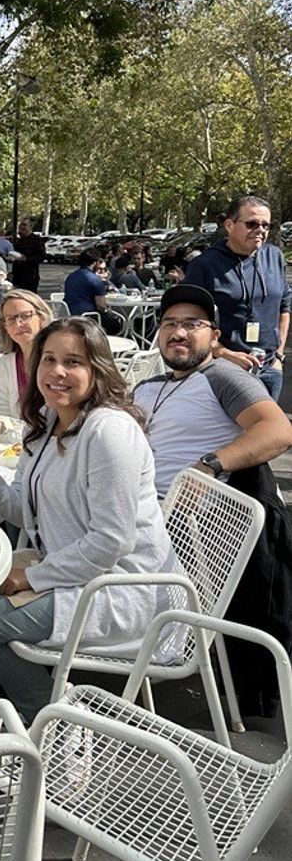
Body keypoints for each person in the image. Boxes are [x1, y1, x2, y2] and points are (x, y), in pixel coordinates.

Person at [0, 317, 176, 724]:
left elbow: (111, 542)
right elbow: (26, 511)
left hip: (118, 588)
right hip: (73, 571)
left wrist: (29, 579)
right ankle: (37, 708)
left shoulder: (109, 433)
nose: (57, 372)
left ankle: (51, 720)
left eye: (73, 362)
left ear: (98, 370)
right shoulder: (48, 422)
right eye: (48, 360)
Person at [134, 283, 292, 717]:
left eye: (192, 324)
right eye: (169, 324)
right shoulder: (149, 385)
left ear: (214, 337)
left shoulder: (221, 377)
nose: (178, 332)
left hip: (187, 527)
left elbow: (278, 431)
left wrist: (211, 464)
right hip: (139, 510)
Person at [186, 194, 291, 402]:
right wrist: (223, 353)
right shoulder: (205, 265)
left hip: (269, 368)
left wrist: (278, 354)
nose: (260, 230)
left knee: (266, 432)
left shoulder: (274, 256)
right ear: (229, 225)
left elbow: (284, 305)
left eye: (265, 225)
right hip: (224, 368)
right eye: (252, 223)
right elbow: (189, 320)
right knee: (230, 434)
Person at [0, 289, 52, 418]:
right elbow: (3, 412)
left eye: (25, 316)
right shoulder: (7, 363)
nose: (18, 324)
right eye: (10, 319)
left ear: (41, 318)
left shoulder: (55, 359)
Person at [63, 248, 121, 334]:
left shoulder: (70, 277)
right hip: (89, 317)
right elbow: (101, 306)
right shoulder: (95, 279)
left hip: (69, 316)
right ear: (95, 262)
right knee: (116, 325)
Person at [6, 218, 46, 293]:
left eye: (24, 225)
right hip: (17, 278)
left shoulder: (37, 240)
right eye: (20, 225)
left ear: (30, 226)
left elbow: (41, 257)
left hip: (30, 278)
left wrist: (26, 259)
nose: (21, 227)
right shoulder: (19, 242)